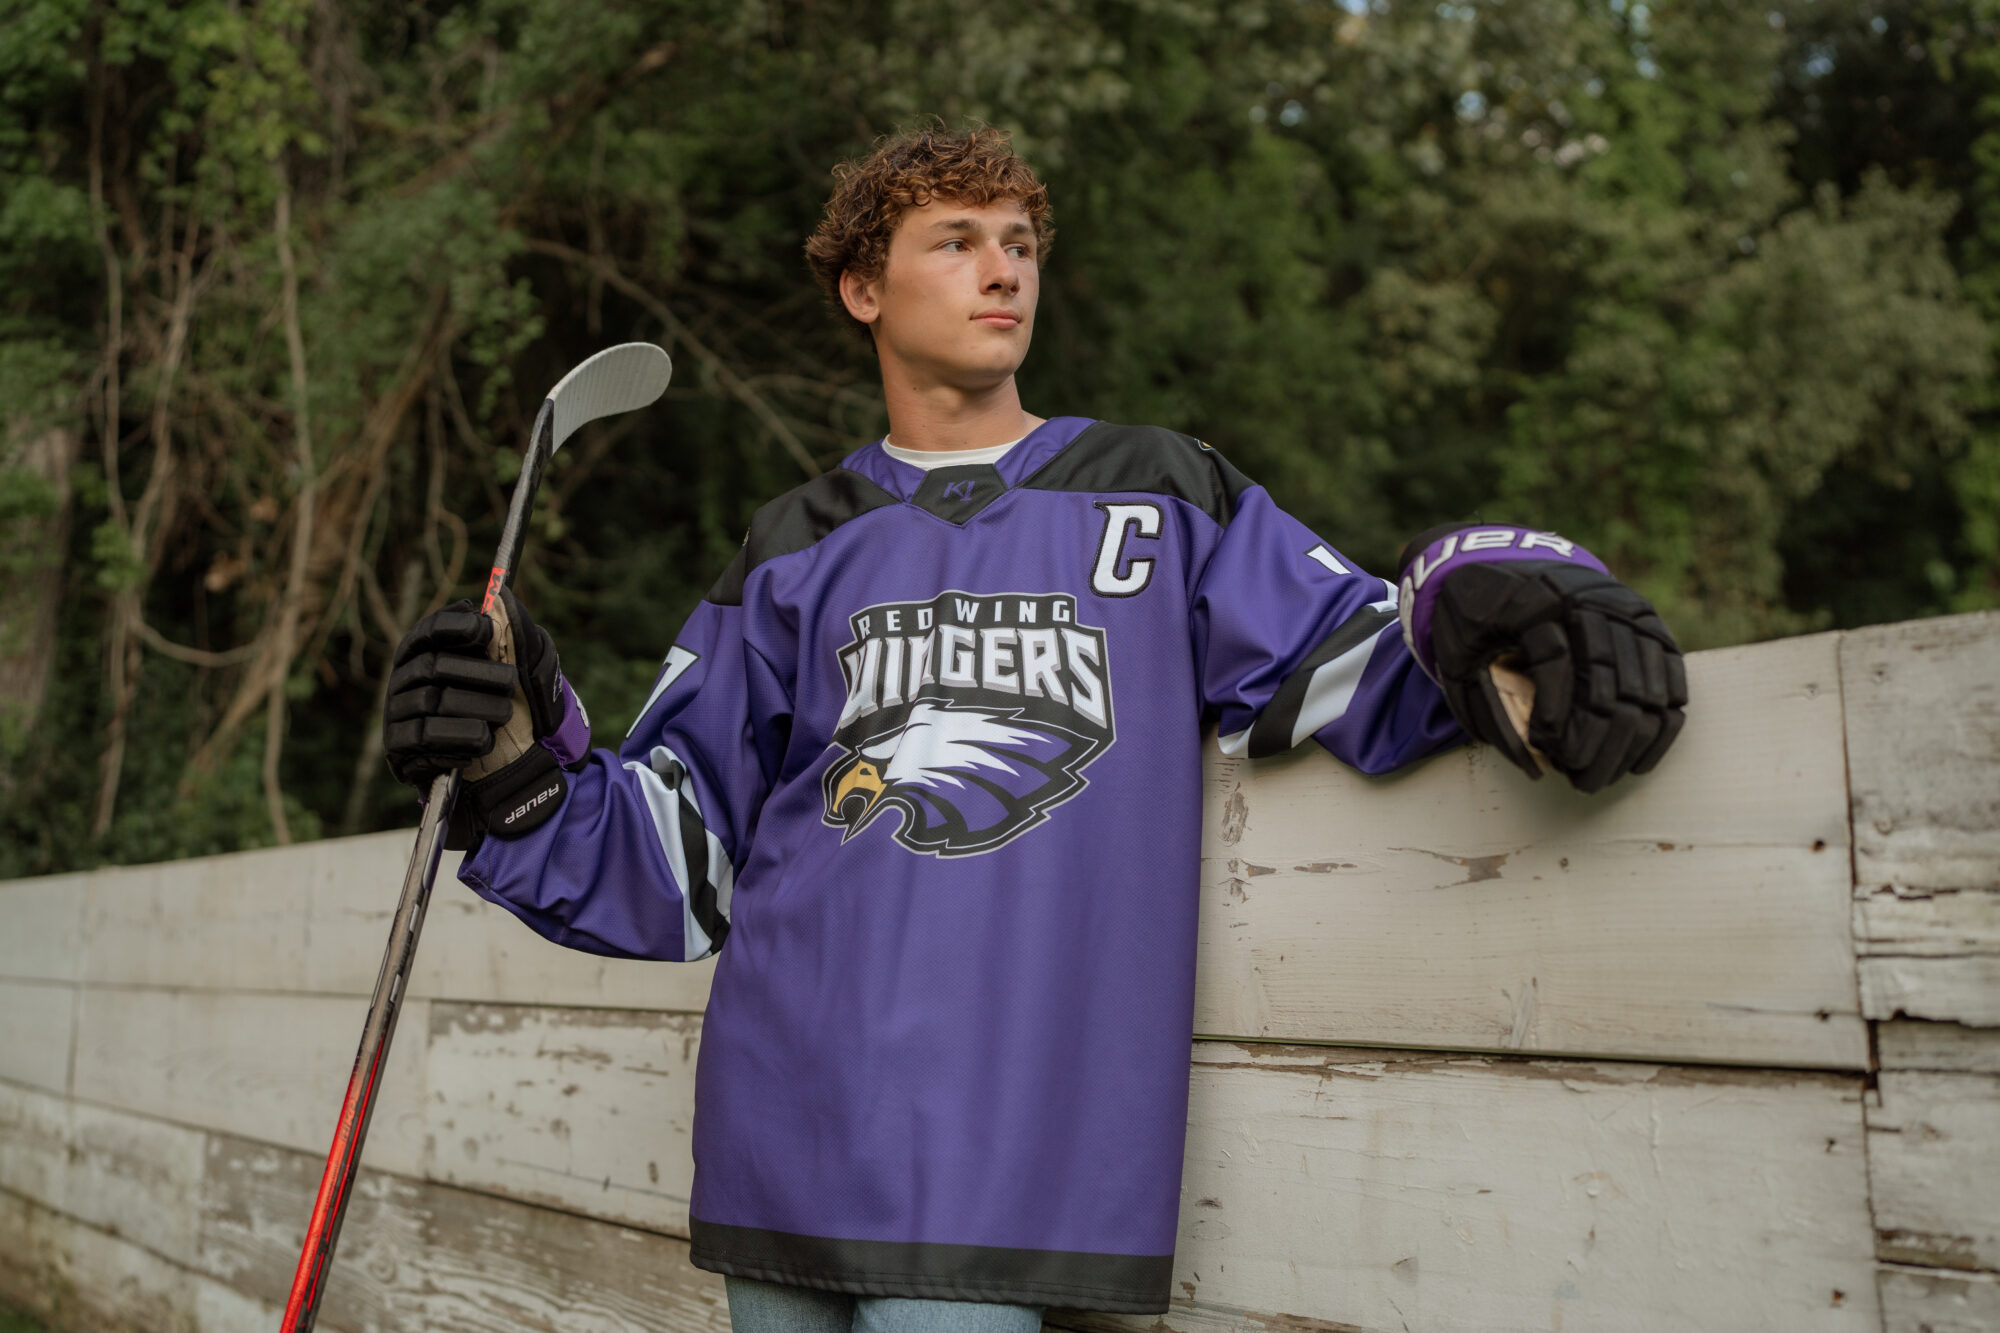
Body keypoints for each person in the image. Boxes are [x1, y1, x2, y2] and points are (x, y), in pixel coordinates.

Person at [382, 125, 1686, 1331]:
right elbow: (679, 857)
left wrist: (1493, 583)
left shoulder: (1160, 496)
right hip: (782, 1135)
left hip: (1008, 1162)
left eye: (1019, 242)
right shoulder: (789, 550)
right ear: (863, 290)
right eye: (955, 240)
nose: (1001, 268)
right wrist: (520, 751)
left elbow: (1363, 661)